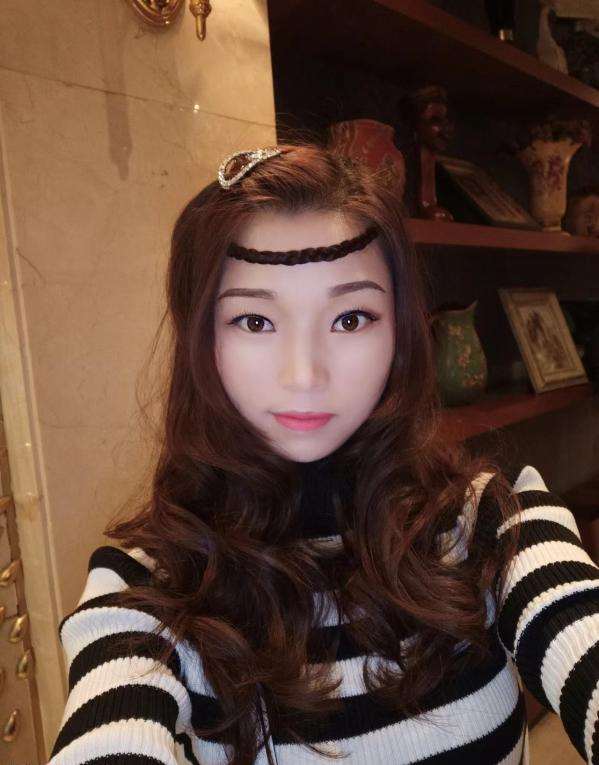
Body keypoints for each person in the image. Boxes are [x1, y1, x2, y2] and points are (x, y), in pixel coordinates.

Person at [47, 142, 599, 765]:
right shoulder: (148, 588)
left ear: (401, 331)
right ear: (199, 338)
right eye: (255, 321)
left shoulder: (494, 521)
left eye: (350, 318)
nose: (305, 375)